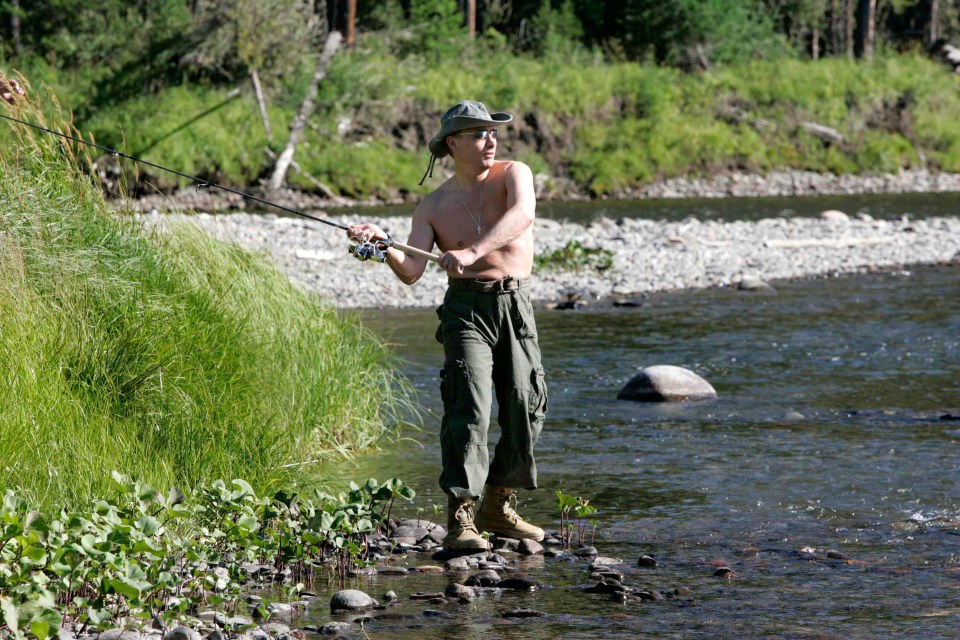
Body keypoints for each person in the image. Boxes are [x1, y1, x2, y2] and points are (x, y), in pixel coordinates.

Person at [347, 100, 548, 551]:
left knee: (526, 407)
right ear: (452, 144)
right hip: (464, 312)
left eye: (492, 132)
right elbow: (411, 270)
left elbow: (522, 217)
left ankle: (498, 503)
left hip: (514, 304)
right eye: (478, 134)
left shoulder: (516, 173)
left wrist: (471, 251)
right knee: (469, 407)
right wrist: (380, 244)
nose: (490, 140)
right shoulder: (432, 206)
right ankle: (462, 515)